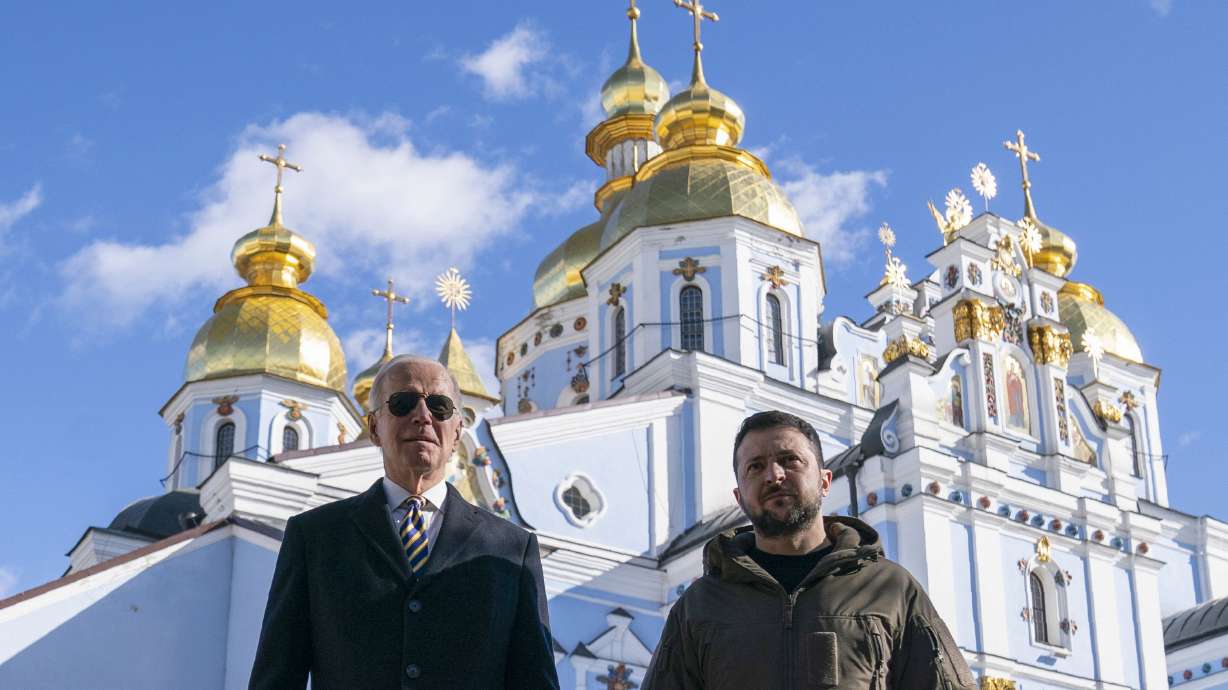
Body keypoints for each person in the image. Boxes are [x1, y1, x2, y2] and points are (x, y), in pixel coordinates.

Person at [249, 355, 559, 690]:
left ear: (456, 432)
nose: (423, 416)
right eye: (403, 403)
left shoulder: (511, 549)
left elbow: (534, 680)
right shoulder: (316, 537)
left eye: (440, 406)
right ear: (373, 428)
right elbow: (277, 675)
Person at [643, 410, 977, 690]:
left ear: (824, 481)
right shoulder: (701, 604)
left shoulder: (891, 590)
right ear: (739, 496)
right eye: (755, 467)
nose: (774, 475)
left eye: (790, 460)